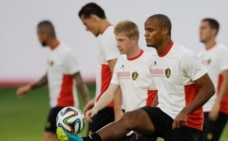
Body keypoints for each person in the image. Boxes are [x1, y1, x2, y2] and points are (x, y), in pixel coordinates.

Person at [57, 14, 215, 141]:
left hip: (185, 123)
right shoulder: (153, 59)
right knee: (131, 117)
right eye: (145, 30)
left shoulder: (184, 56)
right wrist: (144, 121)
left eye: (150, 30)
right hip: (164, 114)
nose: (145, 34)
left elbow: (209, 88)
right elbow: (162, 90)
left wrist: (185, 112)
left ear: (165, 31)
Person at [16, 20, 89, 141]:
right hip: (57, 104)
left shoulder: (66, 53)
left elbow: (79, 79)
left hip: (65, 105)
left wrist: (87, 102)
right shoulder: (52, 54)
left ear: (45, 34)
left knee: (49, 137)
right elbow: (47, 77)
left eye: (38, 35)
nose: (38, 38)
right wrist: (28, 88)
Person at [87, 20, 158, 141]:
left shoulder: (151, 60)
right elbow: (111, 91)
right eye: (117, 40)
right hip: (128, 123)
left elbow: (160, 93)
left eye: (121, 40)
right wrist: (95, 108)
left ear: (134, 39)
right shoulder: (120, 62)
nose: (117, 45)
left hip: (146, 123)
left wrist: (145, 120)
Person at [77, 2, 122, 135]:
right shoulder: (113, 34)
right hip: (108, 104)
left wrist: (117, 111)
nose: (86, 28)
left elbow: (117, 75)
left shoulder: (108, 37)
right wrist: (96, 100)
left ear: (93, 18)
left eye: (85, 23)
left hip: (110, 106)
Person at [197, 18, 228, 141]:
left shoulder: (221, 51)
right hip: (203, 108)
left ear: (213, 31)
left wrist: (217, 104)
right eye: (199, 28)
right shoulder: (200, 55)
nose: (199, 31)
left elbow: (227, 78)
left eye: (203, 28)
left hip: (217, 108)